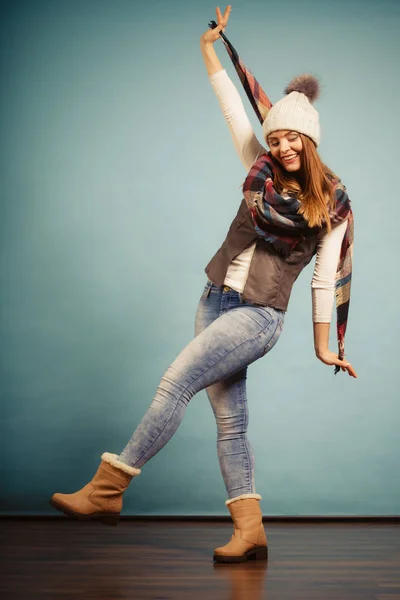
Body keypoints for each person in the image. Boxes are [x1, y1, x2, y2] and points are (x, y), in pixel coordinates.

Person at [50, 5, 357, 564]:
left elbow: (321, 279)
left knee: (176, 381)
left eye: (294, 140)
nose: (283, 147)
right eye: (277, 137)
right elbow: (231, 111)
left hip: (259, 315)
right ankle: (250, 529)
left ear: (310, 142)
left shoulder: (330, 204)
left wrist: (323, 348)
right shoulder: (257, 168)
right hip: (214, 300)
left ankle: (108, 489)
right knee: (230, 423)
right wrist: (209, 49)